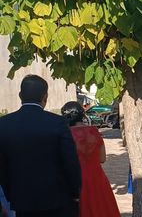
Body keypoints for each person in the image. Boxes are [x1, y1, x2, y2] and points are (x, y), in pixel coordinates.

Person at [0, 75, 81, 217]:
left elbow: (2, 166)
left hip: (22, 200)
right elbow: (70, 162)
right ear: (45, 96)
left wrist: (11, 194)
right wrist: (75, 192)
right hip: (57, 199)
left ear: (20, 95)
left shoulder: (4, 124)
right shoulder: (57, 123)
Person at [61, 102, 120, 217]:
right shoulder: (94, 131)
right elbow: (102, 159)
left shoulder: (66, 135)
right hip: (97, 178)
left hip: (75, 180)